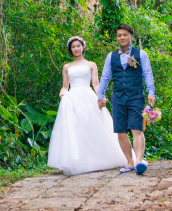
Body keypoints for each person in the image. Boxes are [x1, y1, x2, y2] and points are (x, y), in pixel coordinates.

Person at [47, 36, 129, 176]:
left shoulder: (91, 65)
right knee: (76, 129)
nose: (76, 49)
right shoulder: (67, 67)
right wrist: (63, 94)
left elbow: (96, 84)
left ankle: (101, 157)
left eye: (78, 46)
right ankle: (78, 160)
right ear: (70, 50)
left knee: (93, 126)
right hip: (73, 97)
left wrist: (101, 96)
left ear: (83, 47)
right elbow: (65, 86)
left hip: (87, 96)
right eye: (73, 47)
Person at [96, 23, 156, 175]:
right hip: (118, 97)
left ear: (131, 37)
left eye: (124, 35)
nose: (122, 37)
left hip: (136, 96)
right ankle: (129, 161)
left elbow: (147, 74)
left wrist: (151, 92)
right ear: (117, 38)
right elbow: (105, 77)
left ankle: (139, 161)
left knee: (137, 128)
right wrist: (100, 96)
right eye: (119, 35)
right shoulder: (111, 56)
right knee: (121, 131)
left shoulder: (140, 54)